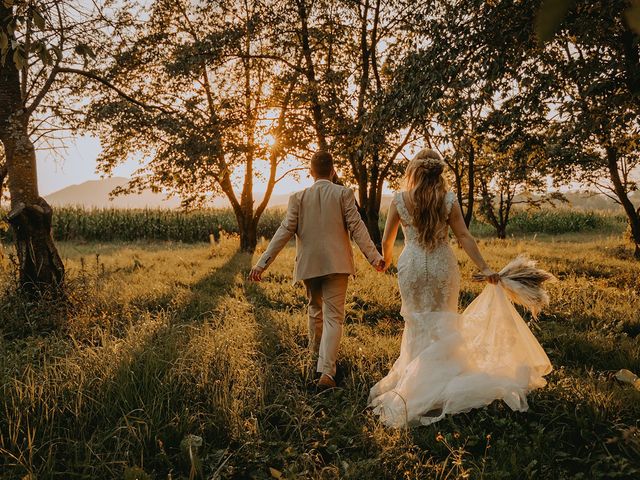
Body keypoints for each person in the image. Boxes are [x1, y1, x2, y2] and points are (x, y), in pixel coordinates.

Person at [368, 148, 551, 427]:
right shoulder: (448, 200)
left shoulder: (399, 200)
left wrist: (386, 260)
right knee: (444, 322)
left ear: (414, 172)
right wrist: (484, 268)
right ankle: (443, 378)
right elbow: (464, 236)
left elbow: (386, 241)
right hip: (442, 265)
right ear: (437, 172)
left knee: (417, 323)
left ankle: (414, 380)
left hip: (413, 267)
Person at [249, 151, 385, 390]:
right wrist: (375, 258)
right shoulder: (343, 194)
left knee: (315, 310)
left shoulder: (298, 198)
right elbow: (357, 227)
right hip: (337, 265)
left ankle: (316, 358)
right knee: (334, 317)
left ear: (310, 172)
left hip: (309, 266)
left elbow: (283, 232)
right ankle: (326, 372)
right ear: (333, 171)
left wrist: (262, 263)